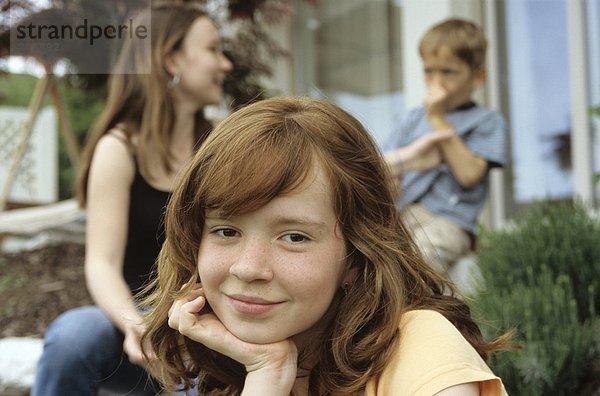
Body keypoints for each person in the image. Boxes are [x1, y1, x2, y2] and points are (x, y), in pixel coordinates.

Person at [141, 96, 511, 395]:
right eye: (226, 231)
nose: (249, 268)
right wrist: (266, 374)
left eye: (294, 237)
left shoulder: (421, 348)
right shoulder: (234, 371)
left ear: (357, 257)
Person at [32, 4, 233, 395]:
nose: (225, 64)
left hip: (205, 317)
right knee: (74, 336)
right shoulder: (120, 148)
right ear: (170, 59)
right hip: (133, 323)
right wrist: (134, 325)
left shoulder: (222, 147)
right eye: (212, 49)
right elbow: (101, 263)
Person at [383, 18, 507, 277]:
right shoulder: (413, 118)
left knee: (422, 257)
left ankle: (418, 314)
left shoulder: (487, 122)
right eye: (429, 71)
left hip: (450, 223)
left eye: (448, 72)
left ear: (479, 76)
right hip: (404, 213)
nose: (436, 83)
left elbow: (469, 174)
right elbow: (380, 163)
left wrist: (438, 119)